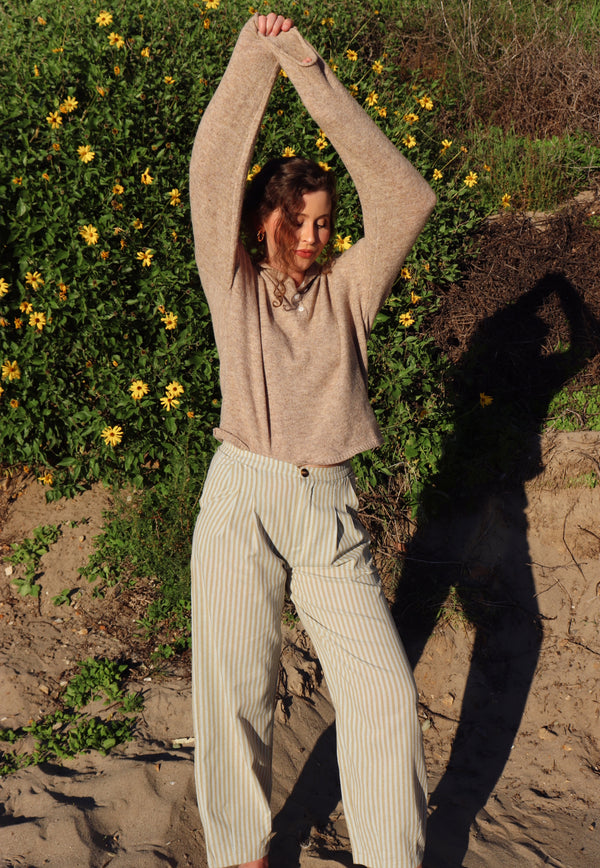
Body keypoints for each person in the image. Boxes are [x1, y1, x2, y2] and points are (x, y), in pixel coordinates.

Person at [189, 11, 436, 868]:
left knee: (383, 696)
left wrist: (309, 69)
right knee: (233, 695)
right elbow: (213, 166)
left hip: (328, 508)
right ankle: (241, 854)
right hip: (243, 495)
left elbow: (408, 196)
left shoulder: (350, 292)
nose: (311, 237)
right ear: (264, 221)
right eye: (295, 222)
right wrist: (254, 58)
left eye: (324, 222)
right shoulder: (233, 287)